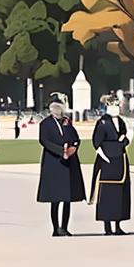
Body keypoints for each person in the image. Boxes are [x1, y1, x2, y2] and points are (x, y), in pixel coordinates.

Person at [37, 100, 84, 236]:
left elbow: (75, 138)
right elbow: (44, 140)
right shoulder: (45, 124)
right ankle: (56, 228)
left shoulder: (66, 122)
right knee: (55, 198)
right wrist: (60, 151)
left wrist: (73, 148)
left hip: (68, 161)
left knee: (67, 198)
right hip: (54, 162)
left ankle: (64, 227)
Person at [90, 100, 131, 235]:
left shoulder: (121, 121)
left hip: (120, 159)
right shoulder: (102, 122)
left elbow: (125, 136)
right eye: (113, 106)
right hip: (107, 160)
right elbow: (97, 142)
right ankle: (107, 226)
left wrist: (125, 141)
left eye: (117, 106)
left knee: (120, 193)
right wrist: (103, 155)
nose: (116, 108)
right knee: (107, 192)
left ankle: (118, 224)